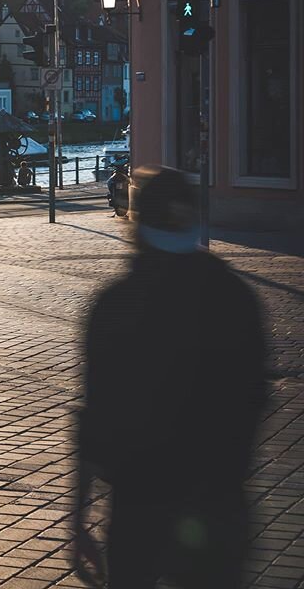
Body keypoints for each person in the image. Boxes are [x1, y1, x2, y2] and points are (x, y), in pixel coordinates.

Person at [74, 165, 266, 589]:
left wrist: (78, 516)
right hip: (217, 503)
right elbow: (255, 398)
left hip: (140, 504)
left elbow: (94, 417)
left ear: (138, 224)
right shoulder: (235, 297)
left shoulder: (116, 304)